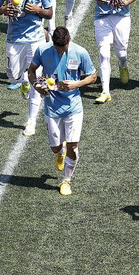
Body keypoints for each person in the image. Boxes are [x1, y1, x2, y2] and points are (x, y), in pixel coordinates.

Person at [28, 26, 97, 196]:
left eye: (64, 47)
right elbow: (31, 71)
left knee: (73, 145)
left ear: (69, 40)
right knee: (55, 147)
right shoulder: (43, 51)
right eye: (59, 48)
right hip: (52, 106)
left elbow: (93, 76)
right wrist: (37, 86)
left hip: (74, 106)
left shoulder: (80, 52)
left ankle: (66, 180)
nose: (62, 51)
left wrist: (77, 84)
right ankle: (60, 152)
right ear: (53, 43)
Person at [0, 0, 54, 136]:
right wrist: (4, 10)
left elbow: (49, 12)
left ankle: (31, 121)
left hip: (35, 38)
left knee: (37, 79)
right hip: (15, 38)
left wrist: (38, 10)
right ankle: (23, 81)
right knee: (13, 75)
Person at [82, 0, 139, 104]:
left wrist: (126, 2)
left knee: (121, 51)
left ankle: (123, 65)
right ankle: (105, 91)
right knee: (103, 53)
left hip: (121, 16)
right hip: (102, 16)